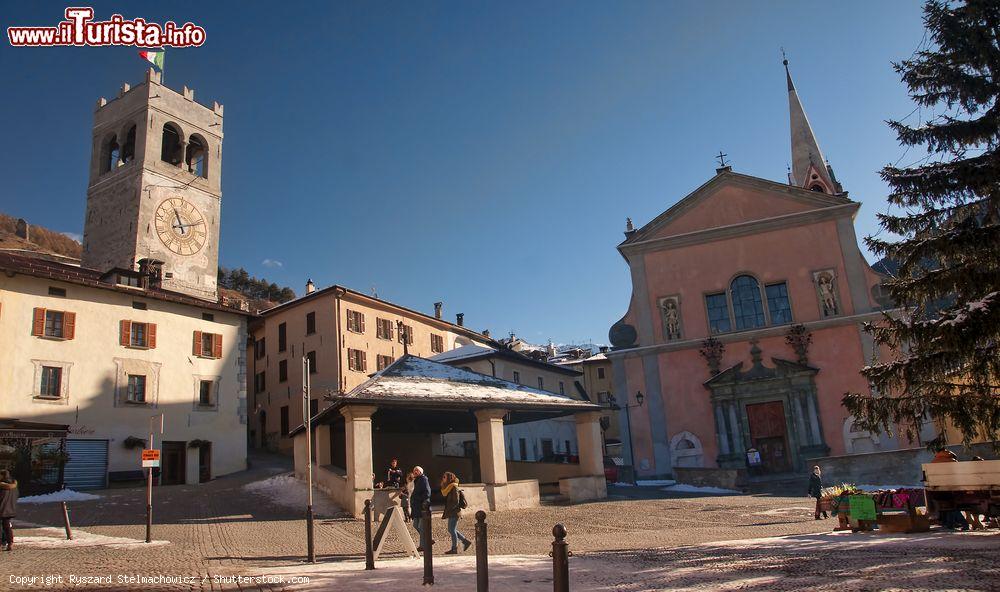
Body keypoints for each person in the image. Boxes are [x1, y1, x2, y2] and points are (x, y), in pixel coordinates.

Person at [440, 472, 471, 554]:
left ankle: (455, 548)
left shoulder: (454, 487)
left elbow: (456, 501)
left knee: (451, 529)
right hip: (452, 512)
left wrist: (450, 509)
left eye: (444, 477)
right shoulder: (449, 487)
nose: (443, 478)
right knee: (451, 529)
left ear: (449, 478)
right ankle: (465, 541)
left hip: (454, 512)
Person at [410, 466, 431, 551]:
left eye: (417, 471)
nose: (415, 472)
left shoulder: (423, 479)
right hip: (416, 507)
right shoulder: (416, 480)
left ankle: (423, 546)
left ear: (420, 472)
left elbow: (427, 492)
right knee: (415, 525)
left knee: (421, 527)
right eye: (414, 470)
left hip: (422, 506)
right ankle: (428, 539)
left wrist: (424, 502)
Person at [0, 469, 18, 551]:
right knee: (7, 527)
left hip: (1, 508)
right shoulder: (14, 486)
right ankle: (10, 543)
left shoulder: (1, 486)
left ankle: (0, 544)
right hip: (9, 509)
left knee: (1, 528)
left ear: (3, 475)